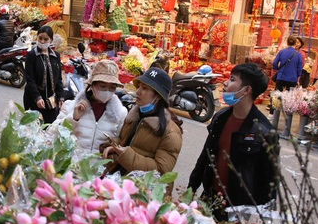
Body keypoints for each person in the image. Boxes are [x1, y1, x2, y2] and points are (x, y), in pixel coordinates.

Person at [188, 62, 279, 212]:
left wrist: (257, 214)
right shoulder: (220, 118)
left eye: (232, 79)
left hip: (237, 210)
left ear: (246, 90)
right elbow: (205, 156)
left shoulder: (264, 132)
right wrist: (191, 189)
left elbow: (269, 181)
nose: (225, 83)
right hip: (209, 199)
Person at [101, 67, 183, 178]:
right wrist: (112, 146)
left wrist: (126, 155)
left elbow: (161, 171)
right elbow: (123, 141)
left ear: (158, 96)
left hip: (143, 190)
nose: (138, 91)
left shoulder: (171, 131)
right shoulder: (133, 116)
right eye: (139, 86)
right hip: (120, 181)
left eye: (144, 88)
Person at [53, 60, 127, 153]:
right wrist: (73, 119)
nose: (107, 91)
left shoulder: (120, 113)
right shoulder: (71, 106)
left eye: (112, 87)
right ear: (92, 85)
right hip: (74, 165)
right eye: (102, 86)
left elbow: (120, 141)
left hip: (101, 166)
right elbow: (52, 134)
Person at [23, 26, 64, 124]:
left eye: (46, 39)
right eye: (40, 38)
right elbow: (29, 78)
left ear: (51, 40)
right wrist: (37, 97)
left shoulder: (56, 56)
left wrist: (61, 97)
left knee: (50, 128)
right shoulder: (31, 55)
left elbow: (58, 78)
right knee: (35, 127)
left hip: (50, 99)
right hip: (34, 97)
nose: (42, 41)